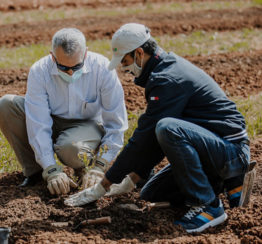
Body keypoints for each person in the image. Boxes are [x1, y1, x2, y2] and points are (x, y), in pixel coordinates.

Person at [65, 23, 254, 233]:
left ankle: (208, 206)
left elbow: (146, 137)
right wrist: (132, 179)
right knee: (151, 193)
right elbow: (154, 141)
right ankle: (228, 182)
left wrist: (105, 183)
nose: (125, 70)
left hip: (231, 150)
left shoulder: (167, 79)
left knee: (167, 128)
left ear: (139, 53)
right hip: (213, 147)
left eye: (126, 61)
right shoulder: (163, 70)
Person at [0, 28, 128, 195]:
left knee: (71, 149)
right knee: (6, 105)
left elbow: (116, 123)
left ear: (85, 54)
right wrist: (51, 169)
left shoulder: (102, 68)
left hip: (87, 125)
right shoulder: (40, 71)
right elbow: (38, 123)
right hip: (52, 118)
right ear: (53, 57)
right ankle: (36, 173)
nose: (71, 73)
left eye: (76, 66)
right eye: (63, 67)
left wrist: (100, 166)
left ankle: (83, 170)